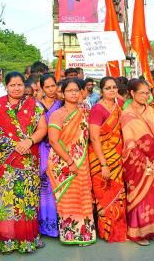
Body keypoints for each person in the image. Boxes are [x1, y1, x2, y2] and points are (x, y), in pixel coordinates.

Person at [0, 71, 47, 253]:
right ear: (6, 87)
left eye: (19, 84)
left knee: (27, 200)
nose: (16, 88)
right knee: (6, 202)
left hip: (28, 161)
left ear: (24, 85)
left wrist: (29, 141)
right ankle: (8, 241)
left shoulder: (34, 105)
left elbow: (42, 128)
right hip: (5, 165)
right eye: (12, 85)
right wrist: (16, 145)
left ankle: (28, 239)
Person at [47, 79, 96, 246]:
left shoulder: (85, 112)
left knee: (83, 196)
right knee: (69, 200)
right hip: (64, 163)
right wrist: (70, 161)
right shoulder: (58, 114)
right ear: (63, 93)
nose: (74, 93)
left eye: (77, 90)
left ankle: (85, 235)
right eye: (70, 90)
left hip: (82, 162)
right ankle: (71, 235)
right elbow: (53, 141)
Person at [120, 79, 154, 246]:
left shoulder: (152, 111)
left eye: (147, 93)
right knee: (138, 195)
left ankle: (152, 229)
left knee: (153, 195)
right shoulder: (126, 113)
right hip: (136, 161)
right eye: (142, 93)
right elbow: (129, 141)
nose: (146, 96)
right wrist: (144, 160)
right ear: (132, 93)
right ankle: (138, 232)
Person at [88, 77, 127, 242]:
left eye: (114, 87)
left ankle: (118, 228)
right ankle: (106, 231)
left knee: (118, 192)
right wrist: (103, 164)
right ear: (101, 90)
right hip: (101, 158)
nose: (112, 90)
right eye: (108, 88)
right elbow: (95, 138)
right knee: (104, 193)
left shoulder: (118, 105)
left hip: (117, 157)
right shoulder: (97, 109)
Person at [38, 74, 62, 238]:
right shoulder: (35, 105)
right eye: (47, 87)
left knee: (58, 185)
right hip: (40, 148)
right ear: (42, 88)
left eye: (53, 85)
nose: (51, 89)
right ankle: (44, 225)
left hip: (59, 148)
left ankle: (59, 225)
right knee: (44, 187)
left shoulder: (62, 104)